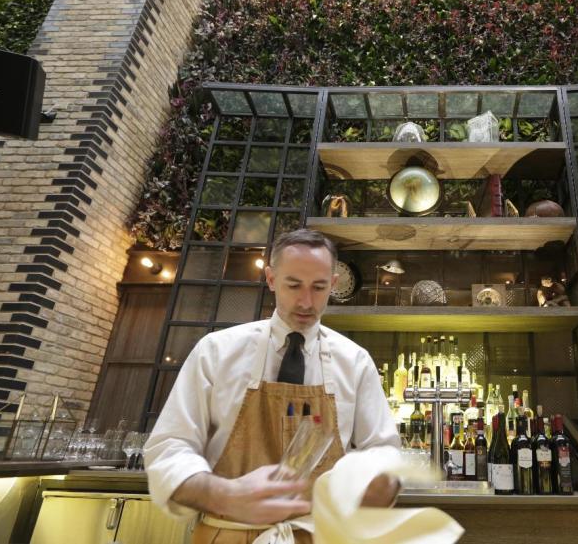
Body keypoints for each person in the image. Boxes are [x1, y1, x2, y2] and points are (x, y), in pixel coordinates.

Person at [145, 229, 401, 543]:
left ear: (333, 285)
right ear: (270, 279)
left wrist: (377, 482)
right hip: (228, 533)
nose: (306, 302)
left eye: (319, 287)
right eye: (293, 285)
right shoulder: (216, 351)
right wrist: (224, 494)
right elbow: (169, 448)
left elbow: (383, 451)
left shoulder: (355, 361)